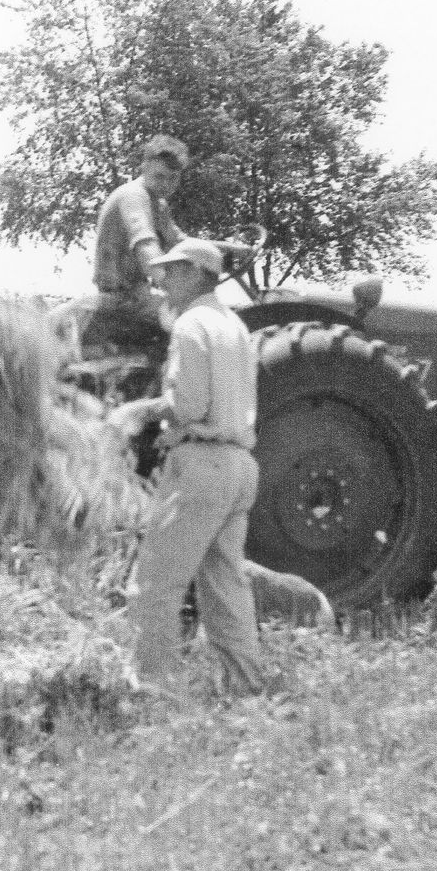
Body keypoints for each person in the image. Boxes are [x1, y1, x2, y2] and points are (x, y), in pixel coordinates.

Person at [108, 237, 267, 696]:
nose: (163, 281)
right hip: (239, 464)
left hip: (201, 466)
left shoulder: (191, 324)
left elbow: (190, 404)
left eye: (173, 271)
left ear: (198, 274)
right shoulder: (235, 325)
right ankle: (246, 689)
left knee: (155, 583)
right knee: (226, 585)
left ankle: (152, 689)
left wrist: (137, 411)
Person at [62, 135, 191, 360]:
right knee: (191, 324)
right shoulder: (134, 196)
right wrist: (176, 288)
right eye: (159, 176)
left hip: (137, 297)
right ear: (144, 167)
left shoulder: (158, 204)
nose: (166, 185)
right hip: (120, 300)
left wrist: (231, 249)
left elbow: (181, 242)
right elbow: (147, 249)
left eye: (173, 178)